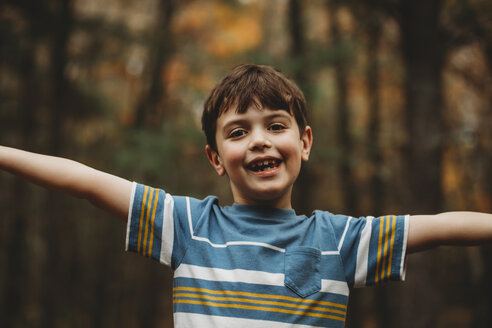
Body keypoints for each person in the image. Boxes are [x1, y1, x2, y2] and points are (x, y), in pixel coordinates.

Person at [1, 64, 491, 328]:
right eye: (238, 132)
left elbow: (444, 225)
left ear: (304, 143)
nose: (259, 139)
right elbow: (87, 182)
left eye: (276, 126)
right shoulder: (189, 226)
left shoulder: (340, 240)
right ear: (216, 159)